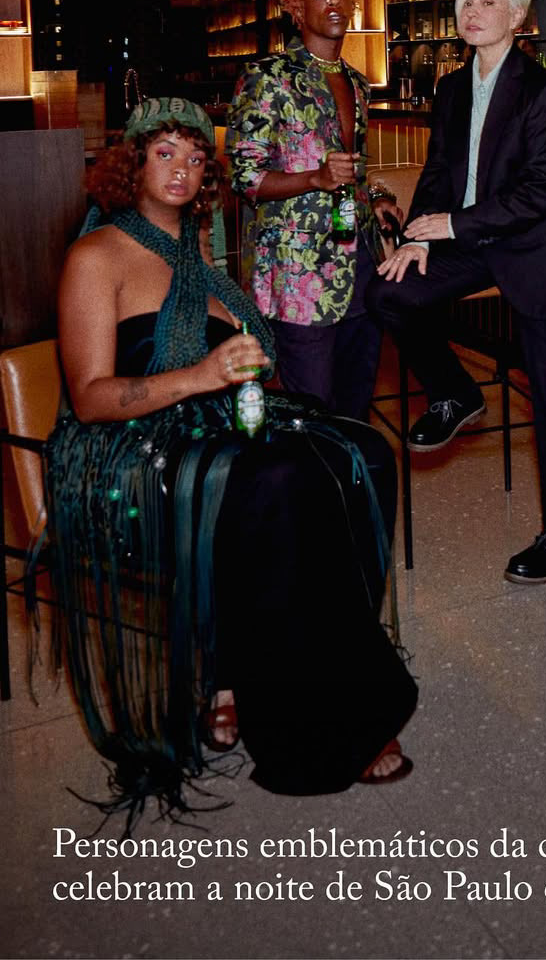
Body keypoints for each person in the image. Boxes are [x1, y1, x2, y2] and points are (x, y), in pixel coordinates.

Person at [45, 97, 417, 820]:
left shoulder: (201, 260)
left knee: (364, 453)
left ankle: (320, 663)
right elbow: (89, 398)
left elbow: (240, 369)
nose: (181, 169)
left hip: (216, 428)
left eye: (195, 158)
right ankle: (299, 719)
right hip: (134, 451)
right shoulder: (96, 257)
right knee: (278, 480)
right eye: (164, 153)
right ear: (130, 164)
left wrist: (240, 375)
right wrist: (202, 375)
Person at [367, 0, 546, 585]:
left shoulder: (544, 90)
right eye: (467, 2)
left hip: (537, 250)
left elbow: (542, 190)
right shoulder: (451, 88)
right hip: (468, 241)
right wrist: (419, 237)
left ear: (517, 17)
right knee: (389, 291)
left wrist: (452, 225)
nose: (472, 12)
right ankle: (456, 392)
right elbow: (439, 170)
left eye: (487, 2)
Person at [228, 0, 401, 420]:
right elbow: (244, 177)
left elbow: (353, 170)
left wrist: (377, 198)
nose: (333, 3)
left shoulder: (358, 84)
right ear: (297, 6)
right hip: (299, 274)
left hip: (361, 266)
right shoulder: (267, 78)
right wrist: (314, 179)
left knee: (355, 411)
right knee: (312, 416)